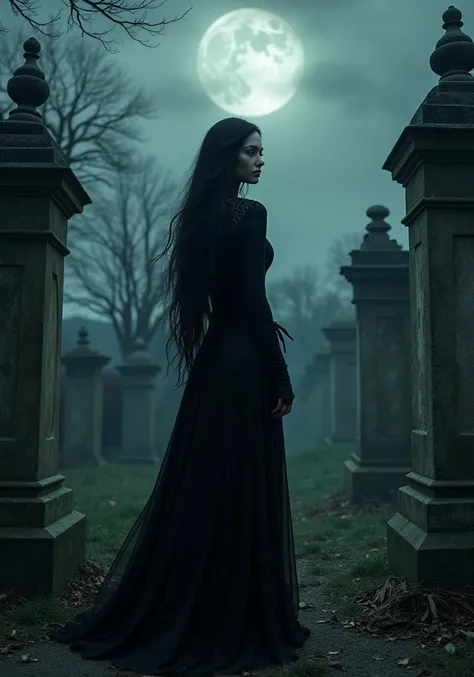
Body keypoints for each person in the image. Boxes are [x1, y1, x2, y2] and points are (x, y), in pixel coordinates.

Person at [53, 117, 310, 676]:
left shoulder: (199, 217)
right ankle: (235, 613)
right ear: (229, 158)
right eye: (252, 152)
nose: (261, 160)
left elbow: (224, 303)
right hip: (243, 366)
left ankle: (198, 605)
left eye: (262, 151)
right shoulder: (249, 214)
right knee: (239, 483)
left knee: (205, 485)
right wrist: (282, 376)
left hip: (216, 365)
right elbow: (252, 304)